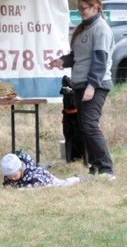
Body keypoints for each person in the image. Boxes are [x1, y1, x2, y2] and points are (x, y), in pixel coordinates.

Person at [47, 0, 115, 181]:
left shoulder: (101, 29)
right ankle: (94, 167)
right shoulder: (82, 29)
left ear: (96, 6)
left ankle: (106, 169)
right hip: (79, 85)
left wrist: (92, 86)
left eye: (83, 8)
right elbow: (77, 57)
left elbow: (100, 61)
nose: (80, 12)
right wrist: (62, 61)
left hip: (95, 85)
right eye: (78, 9)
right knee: (84, 127)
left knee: (90, 126)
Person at [0, 152, 81, 189]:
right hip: (36, 172)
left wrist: (21, 190)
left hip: (44, 178)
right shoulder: (9, 175)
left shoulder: (32, 178)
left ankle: (77, 178)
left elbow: (30, 188)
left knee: (60, 184)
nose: (13, 178)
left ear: (20, 169)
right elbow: (7, 183)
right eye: (10, 177)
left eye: (14, 176)